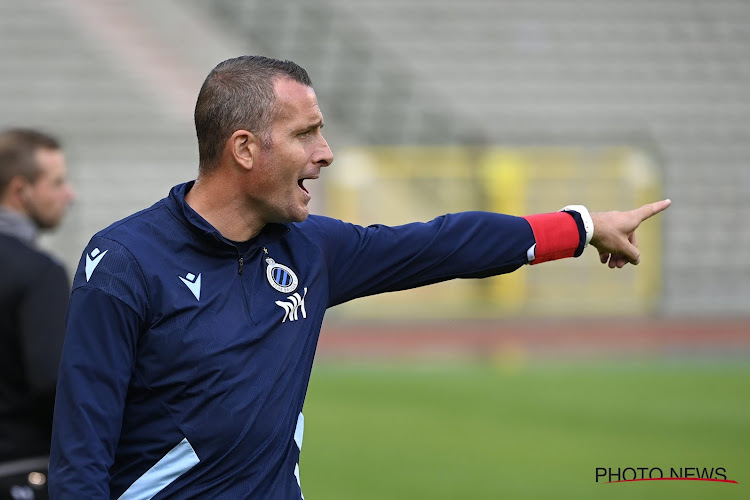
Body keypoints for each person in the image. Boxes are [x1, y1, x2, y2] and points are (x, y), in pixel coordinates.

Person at [49, 56, 670, 499]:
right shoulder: (125, 262)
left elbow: (443, 244)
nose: (326, 152)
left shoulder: (311, 250)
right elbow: (81, 453)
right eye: (306, 133)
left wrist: (582, 227)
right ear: (243, 149)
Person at [0, 129, 75, 495]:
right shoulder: (37, 271)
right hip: (20, 470)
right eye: (57, 182)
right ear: (20, 191)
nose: (69, 195)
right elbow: (53, 381)